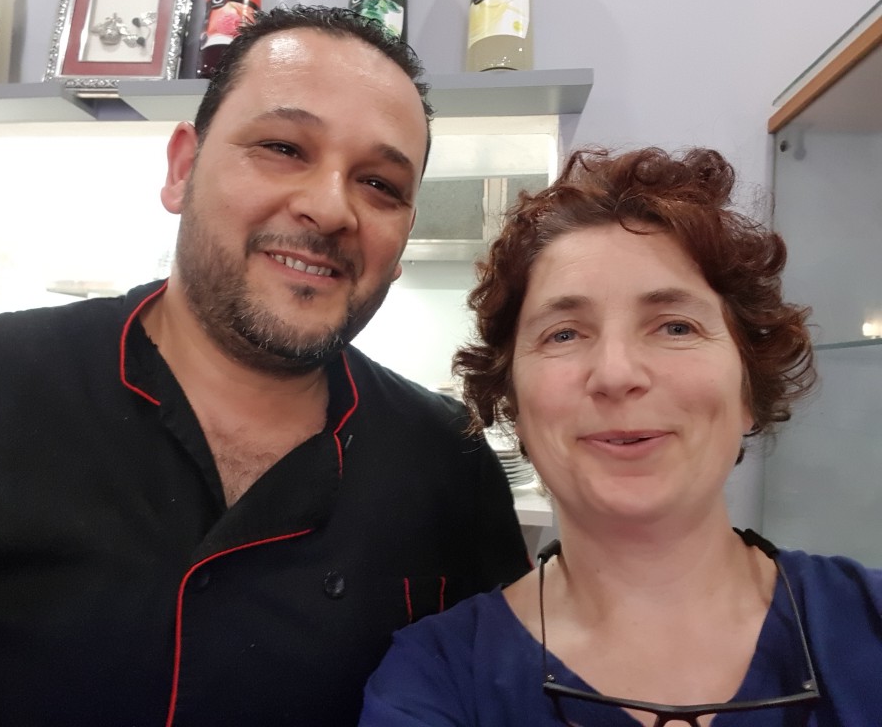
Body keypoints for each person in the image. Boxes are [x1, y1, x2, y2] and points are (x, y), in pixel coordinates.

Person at [0, 6, 531, 727]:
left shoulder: (450, 465)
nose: (331, 207)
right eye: (283, 146)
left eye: (381, 185)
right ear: (183, 168)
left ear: (401, 242)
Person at [359, 146, 882, 726]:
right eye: (563, 334)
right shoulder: (436, 679)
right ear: (513, 404)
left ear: (748, 390)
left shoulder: (868, 622)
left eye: (675, 326)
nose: (615, 374)